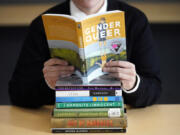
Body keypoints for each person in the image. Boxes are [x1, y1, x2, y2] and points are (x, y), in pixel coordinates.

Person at [8, 0, 162, 108]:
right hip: (63, 120)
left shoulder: (134, 20)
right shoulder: (42, 25)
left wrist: (133, 83)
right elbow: (17, 93)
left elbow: (154, 88)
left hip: (116, 117)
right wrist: (48, 84)